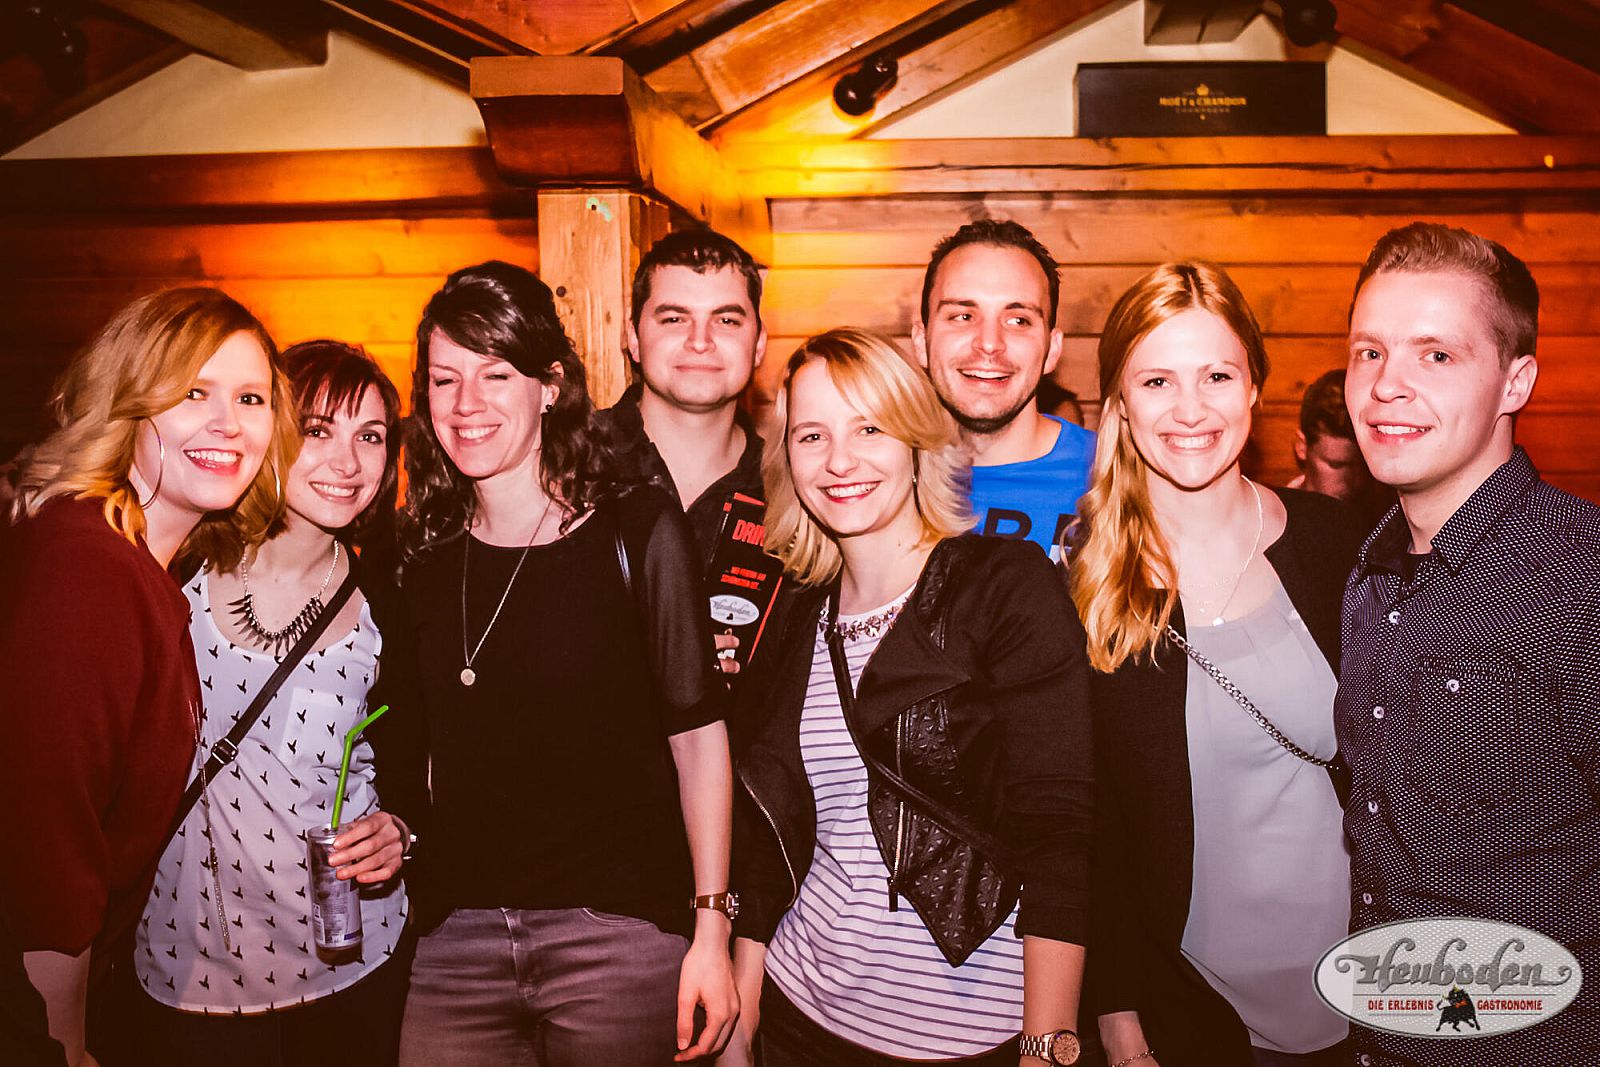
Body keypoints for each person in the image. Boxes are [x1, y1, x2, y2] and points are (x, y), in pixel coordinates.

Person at [394, 261, 737, 1065]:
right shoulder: (424, 552)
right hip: (457, 943)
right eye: (444, 379)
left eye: (495, 375)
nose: (466, 403)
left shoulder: (635, 528)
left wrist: (711, 930)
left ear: (550, 386)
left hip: (614, 935)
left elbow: (699, 740)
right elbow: (412, 746)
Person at [724, 327, 1092, 1067]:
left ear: (918, 442)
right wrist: (741, 1017)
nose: (840, 460)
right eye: (812, 435)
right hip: (798, 1016)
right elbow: (767, 837)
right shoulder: (794, 610)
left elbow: (1063, 832)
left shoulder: (1003, 585)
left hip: (970, 1039)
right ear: (788, 459)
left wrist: (1046, 1044)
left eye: (870, 428)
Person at [1069, 263, 1356, 1067]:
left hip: (1370, 989)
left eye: (1217, 376)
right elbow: (1092, 828)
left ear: (1254, 387)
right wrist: (1118, 1013)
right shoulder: (1086, 589)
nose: (1190, 409)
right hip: (1194, 1013)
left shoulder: (1336, 543)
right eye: (1157, 380)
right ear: (1120, 405)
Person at [1, 288, 292, 1066]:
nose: (228, 421)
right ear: (128, 402)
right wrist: (64, 1046)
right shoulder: (87, 567)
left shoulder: (130, 564)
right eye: (194, 392)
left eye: (251, 398)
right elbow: (43, 861)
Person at [1339, 222, 1600, 1066]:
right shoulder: (1370, 575)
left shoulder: (1580, 577)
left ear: (1515, 381)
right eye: (1369, 353)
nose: (1387, 386)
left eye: (1437, 355)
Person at [131, 341, 424, 1065]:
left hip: (350, 965)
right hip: (189, 966)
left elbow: (419, 770)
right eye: (319, 430)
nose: (347, 462)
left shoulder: (393, 599)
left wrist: (399, 831)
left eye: (371, 437)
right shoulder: (176, 566)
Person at [598, 228, 768, 675]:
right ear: (633, 338)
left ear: (759, 344)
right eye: (674, 319)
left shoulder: (796, 490)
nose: (700, 340)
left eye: (726, 320)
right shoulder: (566, 463)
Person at [913, 219, 1096, 559]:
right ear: (921, 341)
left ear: (1052, 350)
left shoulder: (1114, 476)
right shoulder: (879, 482)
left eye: (1018, 320)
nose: (989, 343)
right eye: (963, 316)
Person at [1286, 369, 1389, 527]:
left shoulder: (1391, 524)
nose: (1354, 482)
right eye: (1336, 465)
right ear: (1302, 447)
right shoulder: (1273, 520)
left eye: (1365, 465)